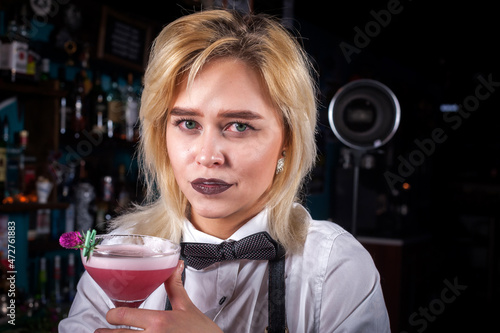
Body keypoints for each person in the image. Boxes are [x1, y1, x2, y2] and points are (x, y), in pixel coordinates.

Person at [59, 9, 390, 332]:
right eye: (188, 123)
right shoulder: (117, 255)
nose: (207, 156)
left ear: (287, 139)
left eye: (239, 126)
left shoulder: (336, 266)